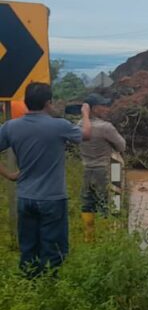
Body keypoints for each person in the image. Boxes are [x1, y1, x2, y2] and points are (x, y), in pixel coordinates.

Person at [0, 83, 92, 277]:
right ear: (48, 102)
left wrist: (9, 174)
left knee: (28, 248)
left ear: (26, 101)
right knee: (53, 249)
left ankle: (30, 285)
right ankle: (50, 285)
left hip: (25, 197)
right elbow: (86, 135)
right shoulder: (59, 125)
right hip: (52, 198)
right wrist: (85, 114)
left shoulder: (10, 127)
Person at [78, 93, 126, 242]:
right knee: (108, 202)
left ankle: (89, 238)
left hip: (87, 169)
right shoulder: (105, 127)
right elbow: (122, 146)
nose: (106, 108)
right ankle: (108, 237)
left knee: (88, 203)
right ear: (93, 109)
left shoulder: (79, 126)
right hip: (105, 169)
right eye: (102, 106)